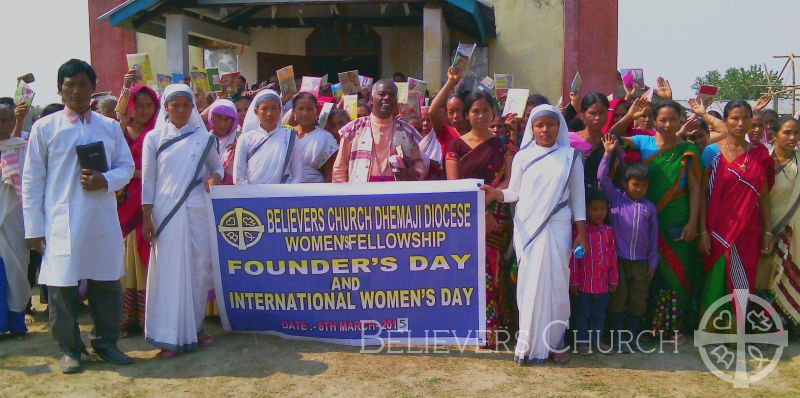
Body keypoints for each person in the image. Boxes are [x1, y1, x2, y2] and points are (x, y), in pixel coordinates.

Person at [22, 59, 135, 373]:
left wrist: (106, 181)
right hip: (62, 221)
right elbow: (32, 180)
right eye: (69, 84)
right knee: (61, 289)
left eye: (82, 84)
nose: (75, 90)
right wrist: (33, 227)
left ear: (92, 88)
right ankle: (71, 348)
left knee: (107, 284)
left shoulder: (109, 126)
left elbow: (126, 167)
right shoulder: (46, 128)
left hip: (100, 218)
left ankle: (106, 343)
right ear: (60, 90)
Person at [482, 104, 586, 365]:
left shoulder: (571, 156)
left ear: (559, 126)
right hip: (528, 230)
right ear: (532, 128)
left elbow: (579, 200)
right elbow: (514, 192)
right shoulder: (522, 157)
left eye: (550, 124)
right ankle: (527, 343)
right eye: (539, 125)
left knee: (558, 286)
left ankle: (556, 341)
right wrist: (497, 194)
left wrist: (581, 233)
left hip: (558, 227)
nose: (545, 129)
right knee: (529, 285)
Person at [141, 84, 223, 358]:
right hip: (165, 211)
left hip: (197, 208)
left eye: (185, 105)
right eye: (174, 105)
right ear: (165, 107)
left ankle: (197, 328)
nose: (180, 110)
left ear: (192, 108)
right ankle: (168, 335)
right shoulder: (153, 138)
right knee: (169, 272)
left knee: (198, 269)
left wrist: (214, 178)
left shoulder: (204, 138)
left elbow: (218, 167)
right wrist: (146, 216)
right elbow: (148, 180)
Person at [615, 99, 703, 340]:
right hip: (642, 220)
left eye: (673, 119)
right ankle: (645, 324)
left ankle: (672, 326)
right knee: (645, 272)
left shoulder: (688, 150)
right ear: (654, 120)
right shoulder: (642, 142)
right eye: (662, 119)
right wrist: (630, 116)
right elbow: (611, 137)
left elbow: (696, 190)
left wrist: (693, 223)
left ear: (681, 121)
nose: (667, 124)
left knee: (675, 272)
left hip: (677, 217)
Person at [697, 99, 773, 326]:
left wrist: (768, 232)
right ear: (725, 121)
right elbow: (701, 195)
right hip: (716, 230)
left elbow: (765, 196)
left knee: (742, 281)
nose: (740, 123)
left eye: (745, 118)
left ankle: (736, 332)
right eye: (734, 118)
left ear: (751, 121)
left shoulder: (761, 155)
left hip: (748, 231)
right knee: (716, 279)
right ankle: (711, 329)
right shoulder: (712, 153)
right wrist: (702, 231)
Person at [445, 91, 513, 347]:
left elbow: (509, 179)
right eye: (475, 111)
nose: (481, 115)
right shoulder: (456, 146)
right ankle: (468, 327)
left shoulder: (503, 144)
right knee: (468, 272)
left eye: (485, 110)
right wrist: (479, 211)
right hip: (466, 217)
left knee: (494, 272)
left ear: (493, 113)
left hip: (496, 215)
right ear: (466, 115)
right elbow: (454, 185)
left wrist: (489, 201)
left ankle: (492, 330)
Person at [598, 136, 659, 349]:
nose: (638, 189)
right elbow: (602, 179)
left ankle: (631, 337)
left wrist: (653, 262)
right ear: (625, 183)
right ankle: (615, 337)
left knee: (637, 300)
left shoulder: (649, 208)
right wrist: (607, 154)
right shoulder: (616, 200)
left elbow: (654, 237)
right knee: (618, 299)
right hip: (618, 261)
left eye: (643, 185)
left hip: (641, 263)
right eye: (635, 185)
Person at [115, 80, 159, 336]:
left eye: (149, 105)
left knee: (145, 264)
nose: (144, 110)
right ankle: (125, 319)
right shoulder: (119, 131)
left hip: (147, 206)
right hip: (121, 205)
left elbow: (158, 171)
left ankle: (147, 318)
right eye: (139, 105)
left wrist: (133, 173)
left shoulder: (157, 132)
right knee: (124, 265)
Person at [332, 79, 425, 183]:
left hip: (397, 194)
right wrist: (342, 195)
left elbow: (418, 162)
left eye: (391, 95)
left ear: (396, 100)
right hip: (360, 195)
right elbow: (339, 169)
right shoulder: (353, 129)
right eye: (382, 94)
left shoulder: (408, 131)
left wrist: (415, 173)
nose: (387, 98)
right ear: (371, 98)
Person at [759, 117, 800, 323]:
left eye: (796, 133)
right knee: (762, 278)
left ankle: (789, 319)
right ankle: (764, 323)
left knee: (787, 274)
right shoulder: (760, 159)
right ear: (774, 134)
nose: (792, 137)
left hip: (792, 234)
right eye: (787, 132)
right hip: (761, 230)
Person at [569, 189, 617, 355]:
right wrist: (573, 281)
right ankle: (582, 342)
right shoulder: (580, 233)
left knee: (599, 315)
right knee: (582, 315)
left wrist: (614, 279)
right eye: (594, 209)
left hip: (603, 285)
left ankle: (597, 341)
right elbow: (574, 258)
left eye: (602, 209)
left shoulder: (608, 232)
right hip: (584, 285)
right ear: (585, 210)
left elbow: (612, 256)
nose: (599, 213)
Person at [0, 103, 31, 338]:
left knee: (18, 269)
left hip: (16, 220)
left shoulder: (23, 148)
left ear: (13, 122)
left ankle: (17, 322)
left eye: (4, 120)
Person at [234, 89, 303, 185]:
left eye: (274, 108)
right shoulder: (245, 139)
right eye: (264, 109)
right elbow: (238, 177)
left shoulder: (290, 136)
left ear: (280, 110)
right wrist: (253, 195)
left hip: (283, 194)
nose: (269, 113)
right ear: (256, 111)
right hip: (253, 195)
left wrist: (286, 193)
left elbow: (297, 174)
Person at [570, 93, 617, 189]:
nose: (597, 117)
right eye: (592, 113)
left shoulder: (610, 142)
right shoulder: (570, 140)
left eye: (602, 112)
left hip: (600, 199)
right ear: (583, 114)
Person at [292, 92, 339, 183]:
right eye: (300, 109)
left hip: (315, 190)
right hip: (286, 189)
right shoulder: (285, 135)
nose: (305, 113)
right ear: (294, 112)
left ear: (316, 111)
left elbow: (330, 172)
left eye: (309, 109)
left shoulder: (326, 138)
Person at [429, 68, 466, 156]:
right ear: (446, 114)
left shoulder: (475, 132)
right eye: (451, 112)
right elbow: (432, 111)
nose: (456, 116)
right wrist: (450, 81)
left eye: (459, 110)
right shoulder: (445, 132)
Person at [207, 99, 240, 185]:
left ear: (234, 121)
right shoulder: (203, 141)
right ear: (211, 117)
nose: (222, 124)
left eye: (227, 120)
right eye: (218, 118)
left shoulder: (240, 143)